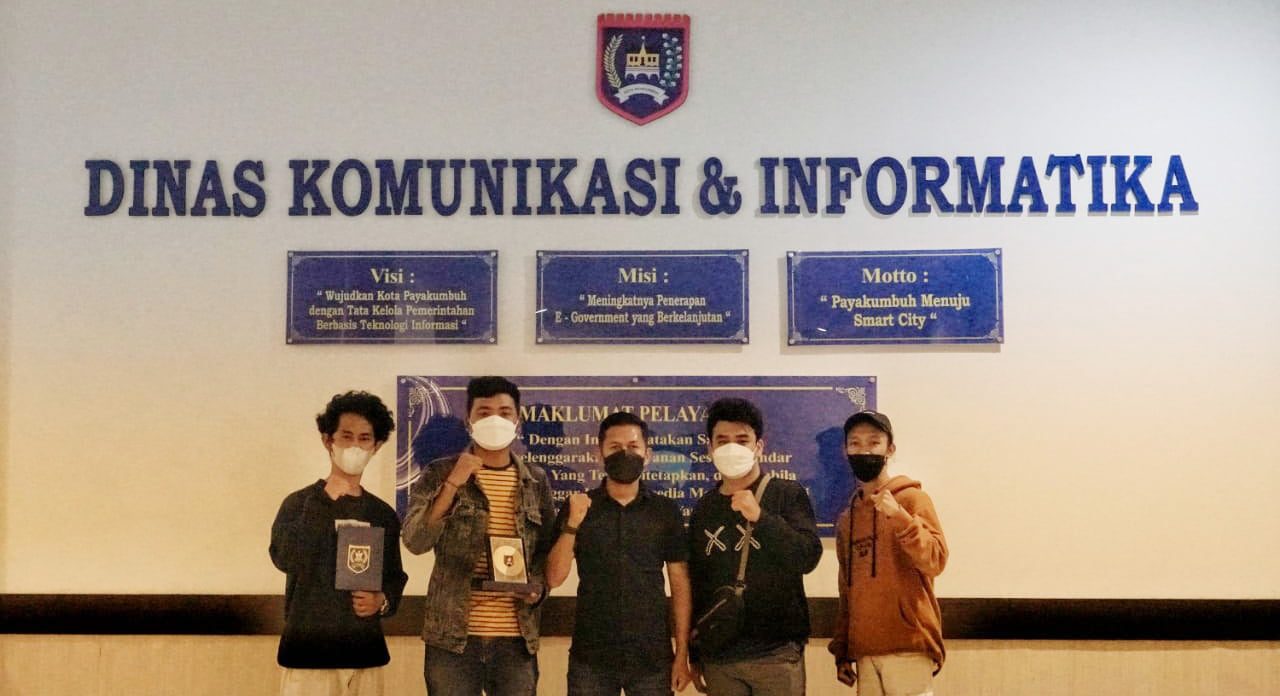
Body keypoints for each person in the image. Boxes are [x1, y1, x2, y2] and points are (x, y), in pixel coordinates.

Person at [401, 376, 557, 696]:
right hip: (452, 638)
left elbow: (545, 551)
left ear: (517, 420)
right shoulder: (439, 473)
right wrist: (452, 485)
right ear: (468, 420)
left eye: (504, 412)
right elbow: (415, 541)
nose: (495, 420)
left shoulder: (536, 480)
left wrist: (537, 589)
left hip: (516, 639)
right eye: (484, 413)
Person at [269, 390, 408, 696]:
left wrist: (382, 601)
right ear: (327, 440)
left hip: (364, 653)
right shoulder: (299, 503)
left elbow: (394, 577)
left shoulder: (382, 514)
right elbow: (285, 558)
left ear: (376, 446)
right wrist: (324, 502)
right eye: (346, 436)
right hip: (308, 654)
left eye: (364, 438)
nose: (355, 446)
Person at [546, 411, 693, 695]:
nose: (625, 454)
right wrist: (572, 524)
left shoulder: (665, 511)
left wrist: (682, 654)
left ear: (647, 455)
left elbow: (680, 584)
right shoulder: (579, 507)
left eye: (633, 446)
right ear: (598, 453)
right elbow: (553, 578)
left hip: (652, 659)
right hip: (591, 659)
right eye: (615, 447)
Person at [687, 398, 823, 695]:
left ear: (759, 446)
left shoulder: (786, 494)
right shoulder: (704, 508)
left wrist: (761, 518)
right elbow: (698, 581)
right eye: (722, 441)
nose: (731, 448)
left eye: (742, 440)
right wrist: (694, 651)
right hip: (720, 655)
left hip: (775, 653)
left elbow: (807, 556)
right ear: (710, 448)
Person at [829, 410, 947, 696]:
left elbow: (936, 560)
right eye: (855, 443)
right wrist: (843, 649)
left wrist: (901, 518)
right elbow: (847, 589)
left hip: (909, 646)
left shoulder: (912, 499)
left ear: (890, 449)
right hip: (865, 651)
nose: (864, 451)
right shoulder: (847, 519)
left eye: (874, 442)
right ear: (845, 451)